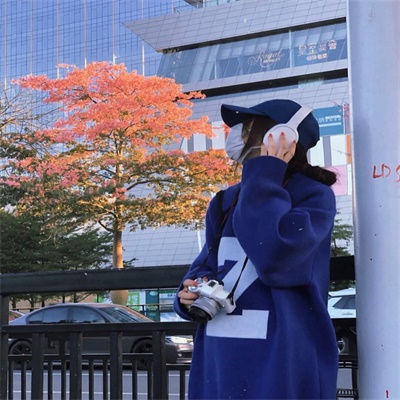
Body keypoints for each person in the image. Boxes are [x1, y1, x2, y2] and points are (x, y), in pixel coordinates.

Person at [174, 99, 339, 400]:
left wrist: (266, 172)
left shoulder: (315, 196)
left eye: (247, 127)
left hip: (280, 356)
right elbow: (207, 265)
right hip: (220, 353)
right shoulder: (224, 200)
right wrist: (188, 294)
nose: (237, 135)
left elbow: (275, 256)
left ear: (281, 135)